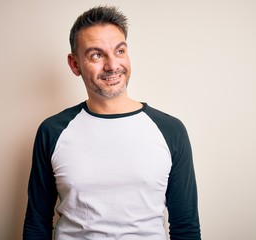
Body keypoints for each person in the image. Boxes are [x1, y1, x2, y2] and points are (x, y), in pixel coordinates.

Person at [23, 5, 201, 240]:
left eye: (119, 51)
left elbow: (185, 227)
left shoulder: (171, 130)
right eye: (96, 55)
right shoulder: (52, 131)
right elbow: (37, 224)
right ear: (74, 64)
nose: (112, 65)